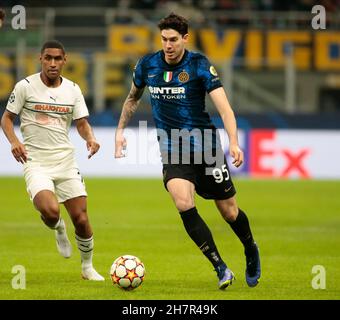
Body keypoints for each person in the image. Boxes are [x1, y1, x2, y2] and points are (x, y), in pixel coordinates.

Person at [115, 13, 261, 289]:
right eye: (163, 40)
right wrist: (120, 131)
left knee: (229, 212)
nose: (168, 45)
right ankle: (220, 268)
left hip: (206, 147)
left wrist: (233, 141)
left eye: (173, 40)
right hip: (172, 149)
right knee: (183, 202)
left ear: (185, 38)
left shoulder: (199, 65)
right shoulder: (147, 65)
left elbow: (225, 108)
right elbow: (132, 98)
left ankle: (250, 247)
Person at [1, 40, 104, 281]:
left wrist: (90, 138)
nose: (53, 63)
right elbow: (6, 119)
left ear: (65, 61)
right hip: (36, 161)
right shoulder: (25, 86)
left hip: (66, 162)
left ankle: (87, 268)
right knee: (49, 211)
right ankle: (58, 227)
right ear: (41, 59)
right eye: (48, 58)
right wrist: (15, 142)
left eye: (58, 59)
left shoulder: (73, 89)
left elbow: (81, 123)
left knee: (81, 218)